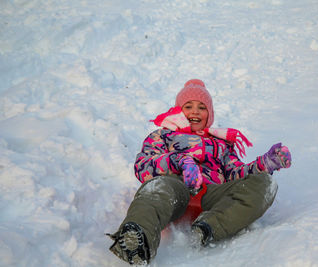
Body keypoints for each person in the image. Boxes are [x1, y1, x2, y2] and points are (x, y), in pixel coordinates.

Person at [107, 79, 292, 265]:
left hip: (211, 194)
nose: (195, 111)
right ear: (179, 110)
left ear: (209, 114)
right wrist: (179, 160)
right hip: (175, 189)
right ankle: (137, 238)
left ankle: (208, 228)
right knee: (155, 187)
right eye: (188, 106)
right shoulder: (163, 135)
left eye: (202, 107)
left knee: (265, 184)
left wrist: (265, 164)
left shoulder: (221, 144)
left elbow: (236, 174)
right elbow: (143, 166)